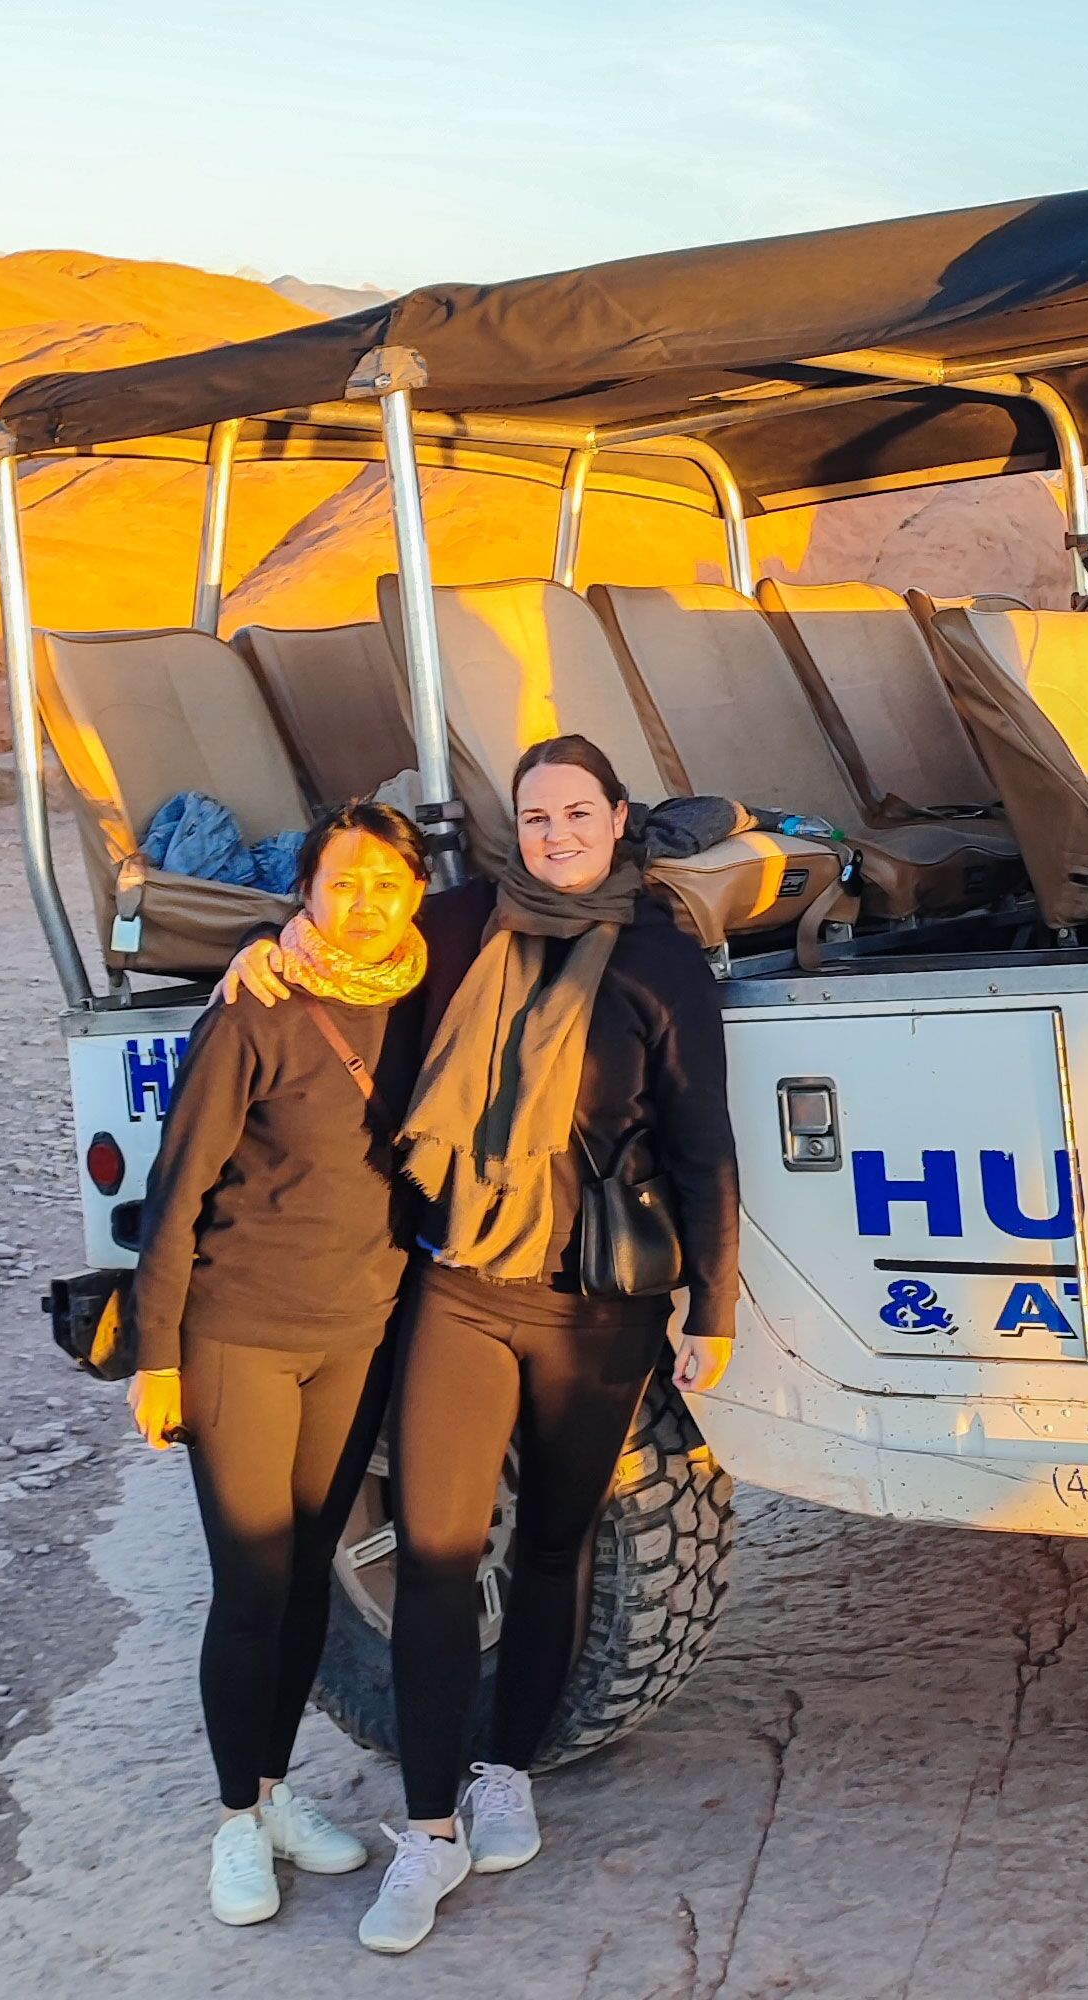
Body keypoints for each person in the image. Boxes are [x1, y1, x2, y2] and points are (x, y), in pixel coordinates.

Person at [224, 735, 738, 1955]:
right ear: (515, 828)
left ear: (620, 819)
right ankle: (428, 1831)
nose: (557, 834)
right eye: (537, 815)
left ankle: (504, 1767)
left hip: (594, 1304)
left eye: (578, 811)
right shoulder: (460, 927)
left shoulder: (664, 962)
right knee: (444, 1556)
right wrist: (271, 948)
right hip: (462, 1287)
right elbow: (356, 950)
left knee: (556, 1546)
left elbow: (704, 1140)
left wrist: (711, 1304)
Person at [125, 800, 432, 1929]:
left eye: (386, 884)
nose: (364, 904)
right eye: (342, 882)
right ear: (305, 890)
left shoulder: (420, 990)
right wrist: (156, 1356)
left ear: (413, 891)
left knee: (310, 1574)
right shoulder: (256, 1007)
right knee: (254, 1583)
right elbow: (178, 1189)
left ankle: (273, 1788)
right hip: (241, 1332)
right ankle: (233, 1822)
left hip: (353, 1332)